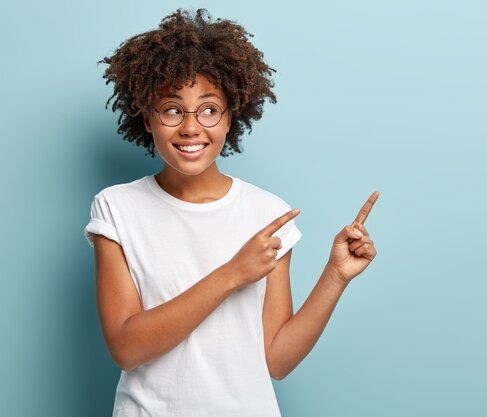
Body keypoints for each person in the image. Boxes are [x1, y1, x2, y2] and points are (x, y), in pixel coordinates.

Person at [84, 8, 379, 417]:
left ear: (229, 118)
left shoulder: (267, 213)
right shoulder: (116, 208)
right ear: (148, 118)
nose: (190, 127)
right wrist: (233, 273)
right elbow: (126, 348)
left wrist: (335, 276)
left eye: (208, 110)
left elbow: (276, 360)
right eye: (172, 109)